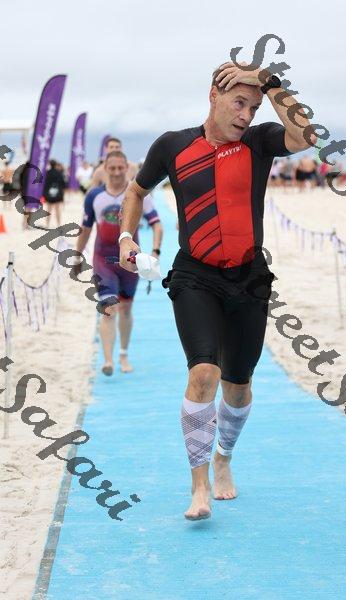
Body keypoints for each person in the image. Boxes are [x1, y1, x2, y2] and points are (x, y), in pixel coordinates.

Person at [119, 61, 316, 520]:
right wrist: (128, 237)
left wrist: (270, 83)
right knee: (203, 372)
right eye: (239, 103)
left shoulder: (258, 142)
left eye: (253, 107)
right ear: (214, 95)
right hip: (195, 275)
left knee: (238, 387)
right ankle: (200, 485)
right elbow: (136, 192)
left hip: (249, 277)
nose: (246, 115)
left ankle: (224, 456)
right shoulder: (172, 146)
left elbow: (306, 136)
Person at [75, 150, 163, 375]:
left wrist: (155, 251)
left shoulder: (138, 195)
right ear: (105, 169)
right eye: (111, 168)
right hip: (103, 260)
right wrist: (77, 255)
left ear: (127, 168)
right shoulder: (94, 196)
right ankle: (108, 360)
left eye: (120, 168)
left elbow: (156, 224)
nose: (116, 172)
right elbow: (85, 229)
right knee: (109, 308)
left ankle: (123, 354)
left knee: (125, 309)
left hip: (130, 261)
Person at [43, 159, 66, 227]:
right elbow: (63, 184)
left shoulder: (47, 173)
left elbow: (44, 184)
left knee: (49, 209)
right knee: (57, 210)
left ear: (50, 164)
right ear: (55, 165)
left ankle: (47, 224)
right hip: (58, 193)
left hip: (49, 193)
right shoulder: (59, 173)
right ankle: (58, 224)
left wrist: (44, 194)